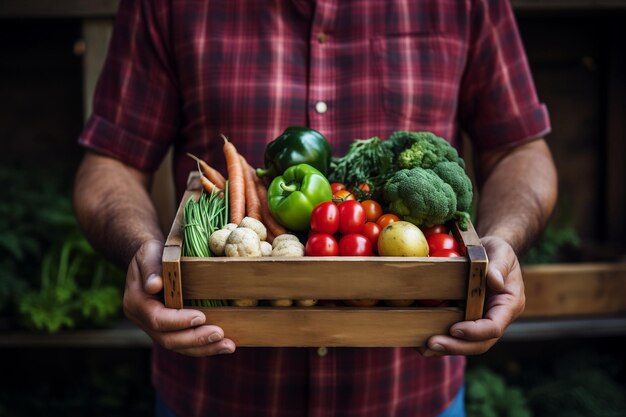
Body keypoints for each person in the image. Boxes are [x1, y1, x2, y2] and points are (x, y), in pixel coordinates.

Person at [73, 1, 557, 416]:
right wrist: (144, 250)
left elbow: (520, 151)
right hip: (215, 392)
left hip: (411, 393)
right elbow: (111, 164)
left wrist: (505, 241)